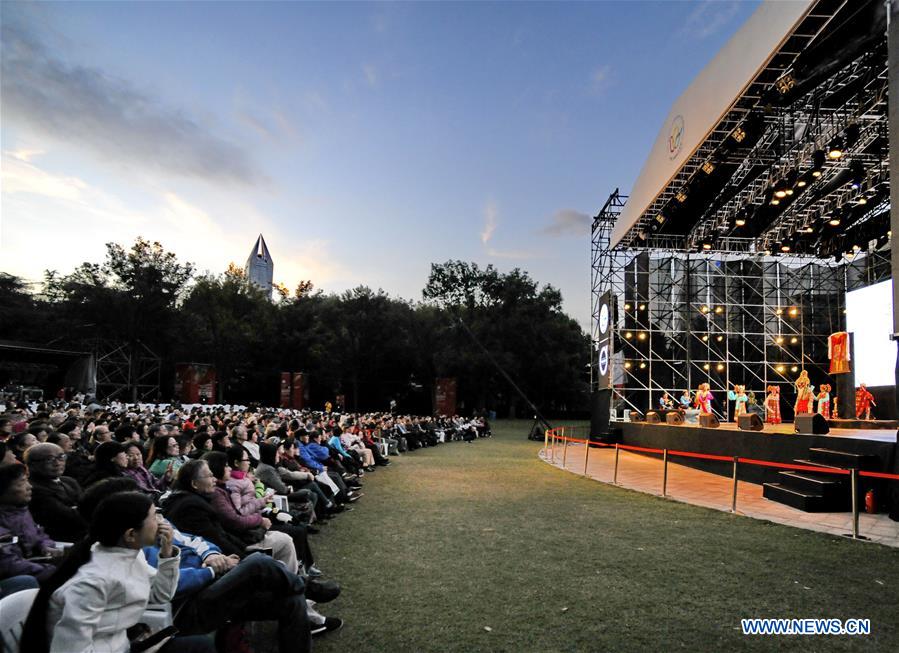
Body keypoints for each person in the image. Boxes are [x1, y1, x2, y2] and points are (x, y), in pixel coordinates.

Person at [20, 490, 213, 653]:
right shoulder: (91, 583)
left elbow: (161, 594)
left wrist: (167, 553)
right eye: (155, 517)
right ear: (130, 534)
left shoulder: (130, 553)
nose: (162, 522)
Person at [0, 464, 61, 585]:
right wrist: (50, 571)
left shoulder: (21, 510)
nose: (30, 487)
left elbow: (39, 533)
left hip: (34, 564)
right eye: (21, 483)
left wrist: (45, 546)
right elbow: (8, 564)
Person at [24, 443, 88, 542]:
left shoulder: (69, 481)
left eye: (61, 457)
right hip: (59, 541)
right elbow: (69, 517)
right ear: (31, 464)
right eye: (49, 459)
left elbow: (88, 505)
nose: (58, 463)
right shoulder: (33, 488)